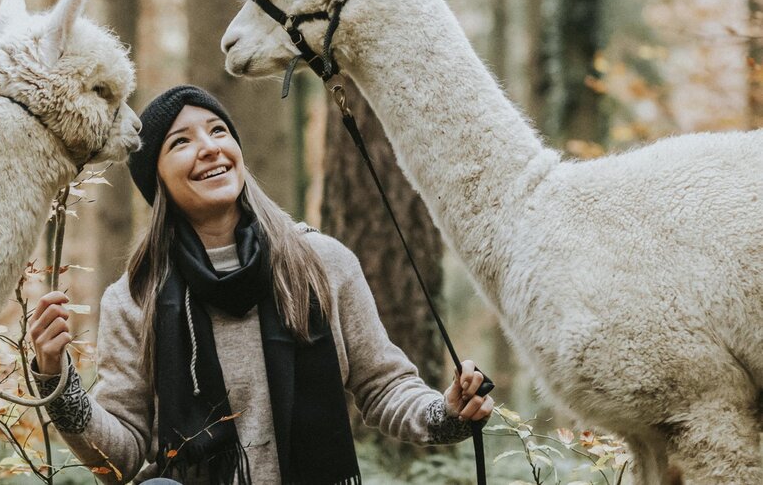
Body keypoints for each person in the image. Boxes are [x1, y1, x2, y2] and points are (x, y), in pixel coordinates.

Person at [28, 85, 493, 484]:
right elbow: (121, 456)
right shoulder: (135, 298)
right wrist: (56, 379)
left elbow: (383, 385)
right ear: (157, 180)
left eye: (218, 131)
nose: (209, 147)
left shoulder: (322, 263)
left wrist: (446, 413)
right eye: (180, 142)